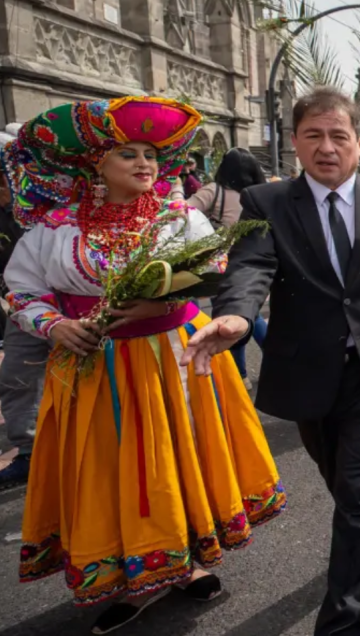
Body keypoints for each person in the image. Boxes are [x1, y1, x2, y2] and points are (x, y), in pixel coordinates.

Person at [3, 97, 285, 633]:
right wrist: (54, 325)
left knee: (174, 457)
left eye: (151, 155)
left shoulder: (178, 217)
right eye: (127, 154)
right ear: (96, 166)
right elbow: (22, 292)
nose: (144, 164)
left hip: (170, 357)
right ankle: (129, 574)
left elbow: (218, 269)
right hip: (91, 365)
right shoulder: (56, 228)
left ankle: (186, 560)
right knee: (110, 468)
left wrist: (163, 303)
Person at [182, 87, 360, 636]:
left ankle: (341, 624)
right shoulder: (268, 202)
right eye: (314, 136)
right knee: (339, 478)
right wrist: (235, 316)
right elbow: (250, 265)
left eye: (338, 136)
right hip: (306, 368)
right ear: (296, 144)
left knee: (356, 496)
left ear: (359, 142)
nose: (327, 147)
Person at [188, 148, 269, 379]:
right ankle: (270, 363)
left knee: (230, 316)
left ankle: (239, 375)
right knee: (248, 314)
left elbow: (183, 211)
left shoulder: (215, 191)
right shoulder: (261, 192)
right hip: (256, 263)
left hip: (221, 263)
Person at [0, 122, 47, 492]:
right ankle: (30, 453)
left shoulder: (52, 199)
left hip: (75, 300)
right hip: (23, 305)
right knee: (17, 376)